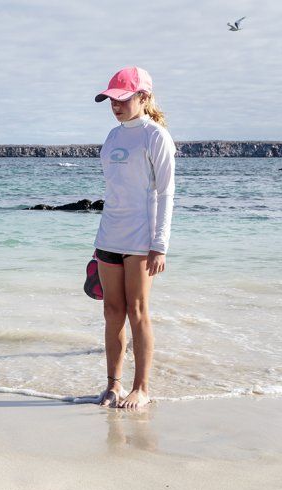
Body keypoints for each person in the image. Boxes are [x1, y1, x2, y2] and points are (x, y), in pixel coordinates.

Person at [93, 66, 175, 409]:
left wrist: (160, 245)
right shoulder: (113, 137)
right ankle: (113, 385)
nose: (116, 105)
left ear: (144, 97)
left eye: (123, 98)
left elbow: (166, 192)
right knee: (112, 311)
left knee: (138, 311)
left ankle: (141, 388)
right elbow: (114, 192)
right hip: (108, 237)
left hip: (141, 241)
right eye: (112, 99)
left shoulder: (155, 136)